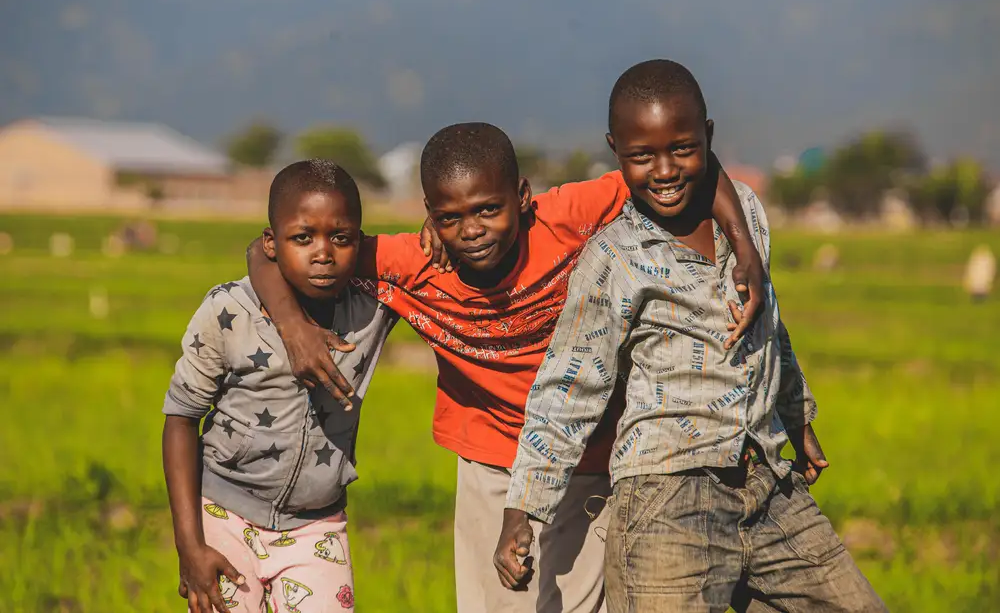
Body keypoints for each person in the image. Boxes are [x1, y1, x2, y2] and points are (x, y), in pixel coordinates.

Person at [247, 123, 765, 612]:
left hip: (591, 458)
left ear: (522, 197)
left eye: (488, 210)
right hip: (489, 463)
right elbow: (265, 249)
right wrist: (295, 330)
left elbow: (682, 169)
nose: (471, 231)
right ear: (431, 213)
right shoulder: (413, 262)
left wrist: (744, 246)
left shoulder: (565, 216)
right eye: (451, 218)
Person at [495, 59, 886, 613]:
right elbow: (569, 386)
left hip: (768, 486)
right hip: (666, 503)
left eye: (682, 148)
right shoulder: (614, 258)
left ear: (709, 136)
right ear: (615, 151)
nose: (665, 170)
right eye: (641, 156)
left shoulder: (744, 214)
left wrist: (796, 418)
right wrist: (523, 510)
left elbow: (770, 327)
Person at [163, 160, 396, 613]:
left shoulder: (371, 309)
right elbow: (180, 419)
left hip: (318, 527)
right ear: (272, 243)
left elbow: (421, 264)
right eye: (303, 238)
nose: (323, 253)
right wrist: (188, 546)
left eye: (341, 238)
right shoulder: (228, 311)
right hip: (223, 516)